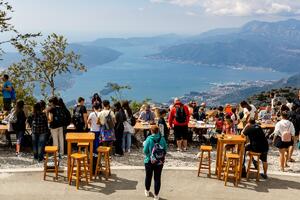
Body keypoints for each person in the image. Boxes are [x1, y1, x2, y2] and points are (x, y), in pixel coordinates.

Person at [143, 125, 167, 200]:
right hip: (159, 161)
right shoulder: (162, 139)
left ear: (151, 131)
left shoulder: (149, 139)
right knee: (157, 178)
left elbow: (145, 151)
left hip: (149, 161)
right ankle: (156, 195)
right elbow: (165, 150)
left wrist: (149, 155)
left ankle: (147, 191)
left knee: (148, 176)